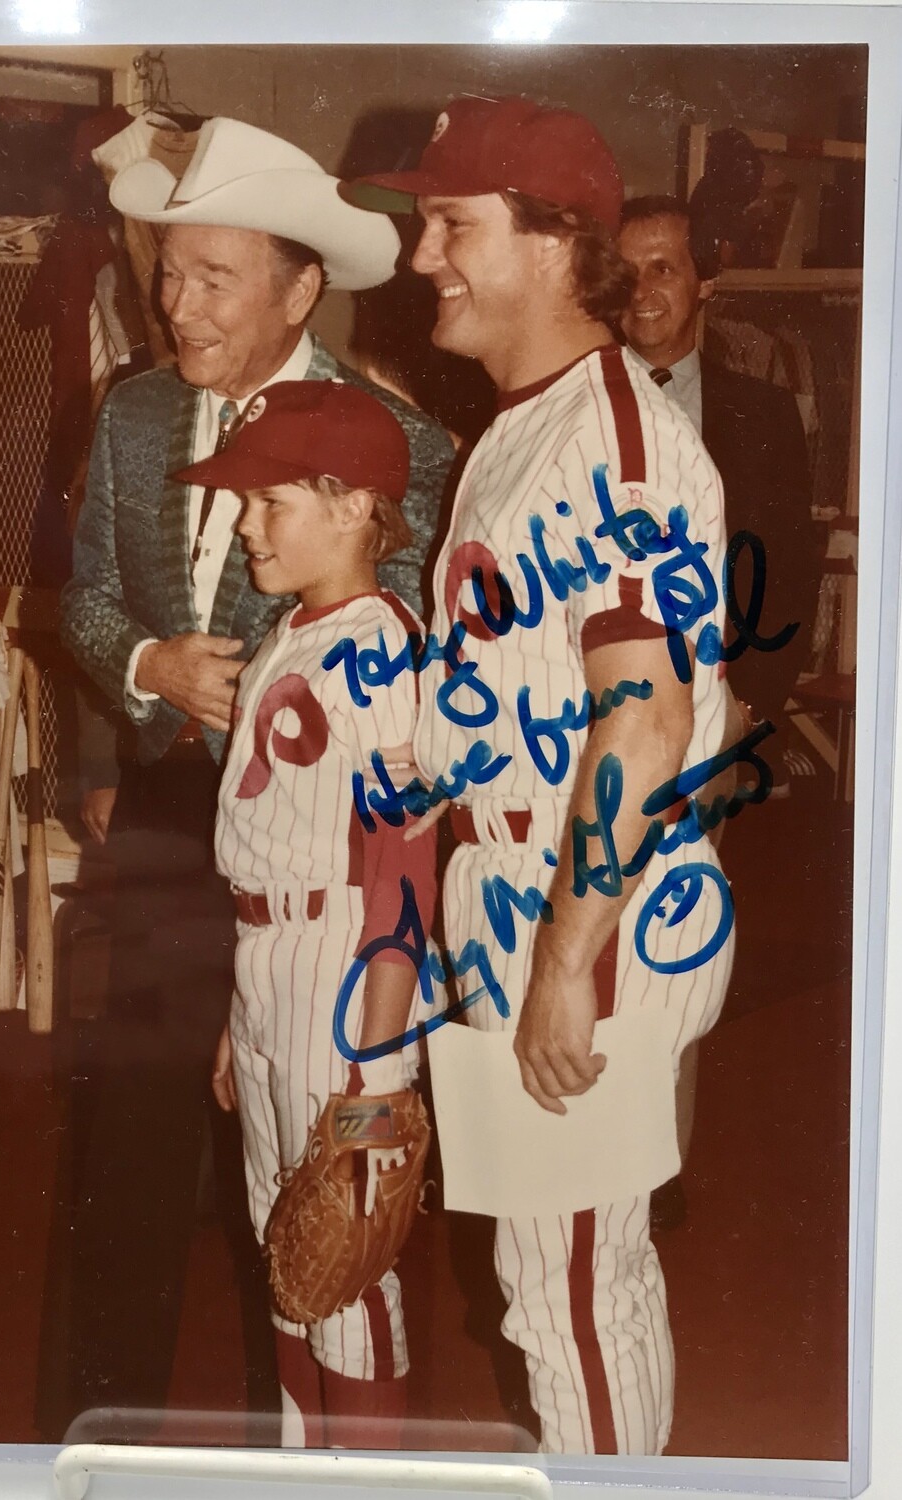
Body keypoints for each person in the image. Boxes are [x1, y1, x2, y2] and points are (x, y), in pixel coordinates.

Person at [48, 118, 455, 1439]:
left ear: (299, 289)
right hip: (176, 823)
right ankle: (94, 1436)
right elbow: (83, 599)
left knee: (313, 1182)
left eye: (215, 279)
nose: (178, 305)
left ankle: (307, 1441)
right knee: (134, 1146)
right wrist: (149, 667)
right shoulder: (132, 411)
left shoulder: (401, 442)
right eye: (169, 274)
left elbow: (403, 662)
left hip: (328, 861)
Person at [346, 96, 737, 1454]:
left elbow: (645, 720)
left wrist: (568, 957)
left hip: (587, 902)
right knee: (547, 1285)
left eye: (452, 225)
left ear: (558, 243)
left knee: (575, 1292)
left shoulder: (615, 447)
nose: (421, 257)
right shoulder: (523, 426)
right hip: (518, 879)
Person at [174, 379, 433, 1449]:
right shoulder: (288, 633)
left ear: (355, 506)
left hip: (348, 980)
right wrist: (237, 1017)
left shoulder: (384, 647)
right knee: (286, 1246)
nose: (245, 524)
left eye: (270, 502)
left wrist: (375, 1070)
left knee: (348, 1255)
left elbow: (403, 871)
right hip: (268, 962)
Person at [618, 196, 823, 783]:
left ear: (706, 281)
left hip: (717, 720)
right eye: (625, 272)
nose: (640, 291)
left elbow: (788, 576)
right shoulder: (574, 411)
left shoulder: (766, 415)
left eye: (662, 268)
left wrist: (748, 710)